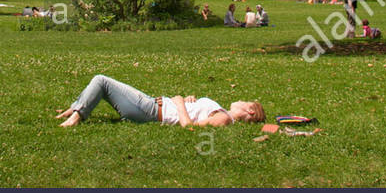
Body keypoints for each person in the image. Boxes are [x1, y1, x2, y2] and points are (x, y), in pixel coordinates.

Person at [56, 75, 265, 127]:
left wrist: (180, 102)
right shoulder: (221, 111)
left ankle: (77, 114)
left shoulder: (224, 119)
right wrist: (192, 101)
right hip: (152, 105)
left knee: (101, 81)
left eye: (245, 101)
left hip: (150, 110)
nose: (239, 99)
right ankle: (77, 109)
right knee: (102, 83)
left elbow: (188, 127)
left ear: (251, 111)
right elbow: (197, 113)